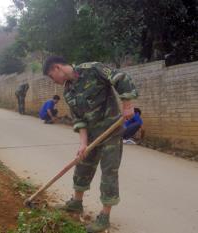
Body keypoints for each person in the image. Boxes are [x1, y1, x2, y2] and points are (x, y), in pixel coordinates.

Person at [43, 56, 137, 233]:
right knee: (82, 166)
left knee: (109, 171)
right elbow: (79, 120)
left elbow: (120, 78)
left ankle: (104, 216)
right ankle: (76, 203)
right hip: (92, 136)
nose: (53, 81)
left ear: (57, 68)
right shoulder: (68, 92)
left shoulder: (93, 69)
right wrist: (83, 144)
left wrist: (127, 104)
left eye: (51, 76)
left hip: (110, 131)